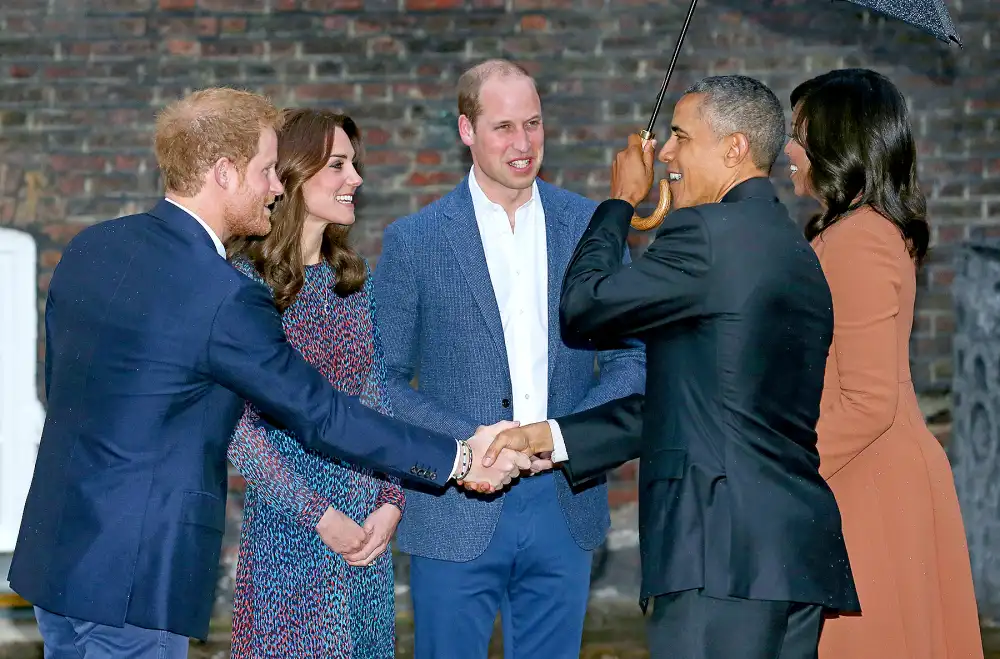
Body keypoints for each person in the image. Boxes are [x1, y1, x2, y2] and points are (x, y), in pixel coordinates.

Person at [7, 87, 527, 659]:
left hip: (56, 555)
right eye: (264, 171)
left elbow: (68, 392)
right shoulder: (225, 293)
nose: (275, 186)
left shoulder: (93, 247)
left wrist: (391, 496)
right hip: (135, 574)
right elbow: (321, 414)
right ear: (224, 173)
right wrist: (456, 459)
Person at [483, 75, 861, 659]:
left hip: (720, 552)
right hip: (790, 555)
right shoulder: (796, 251)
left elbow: (583, 309)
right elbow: (703, 404)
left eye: (680, 137)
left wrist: (618, 204)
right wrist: (556, 438)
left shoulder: (708, 235)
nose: (663, 153)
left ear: (734, 148)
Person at [371, 59, 646, 658]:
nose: (523, 144)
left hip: (564, 501)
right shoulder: (415, 240)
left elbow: (632, 358)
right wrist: (466, 445)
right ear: (466, 130)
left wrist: (560, 435)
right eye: (503, 128)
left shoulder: (588, 228)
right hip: (455, 505)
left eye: (534, 124)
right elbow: (379, 380)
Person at [783, 68, 984, 659]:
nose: (789, 152)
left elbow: (868, 400)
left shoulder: (859, 239)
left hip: (866, 481)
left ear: (838, 143)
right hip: (861, 470)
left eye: (801, 134)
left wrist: (783, 469)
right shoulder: (852, 231)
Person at [225, 109, 404, 658]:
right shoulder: (240, 286)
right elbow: (236, 428)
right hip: (289, 535)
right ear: (296, 175)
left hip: (367, 536)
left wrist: (392, 502)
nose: (357, 179)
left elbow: (377, 397)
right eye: (338, 165)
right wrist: (319, 516)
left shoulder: (353, 282)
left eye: (355, 165)